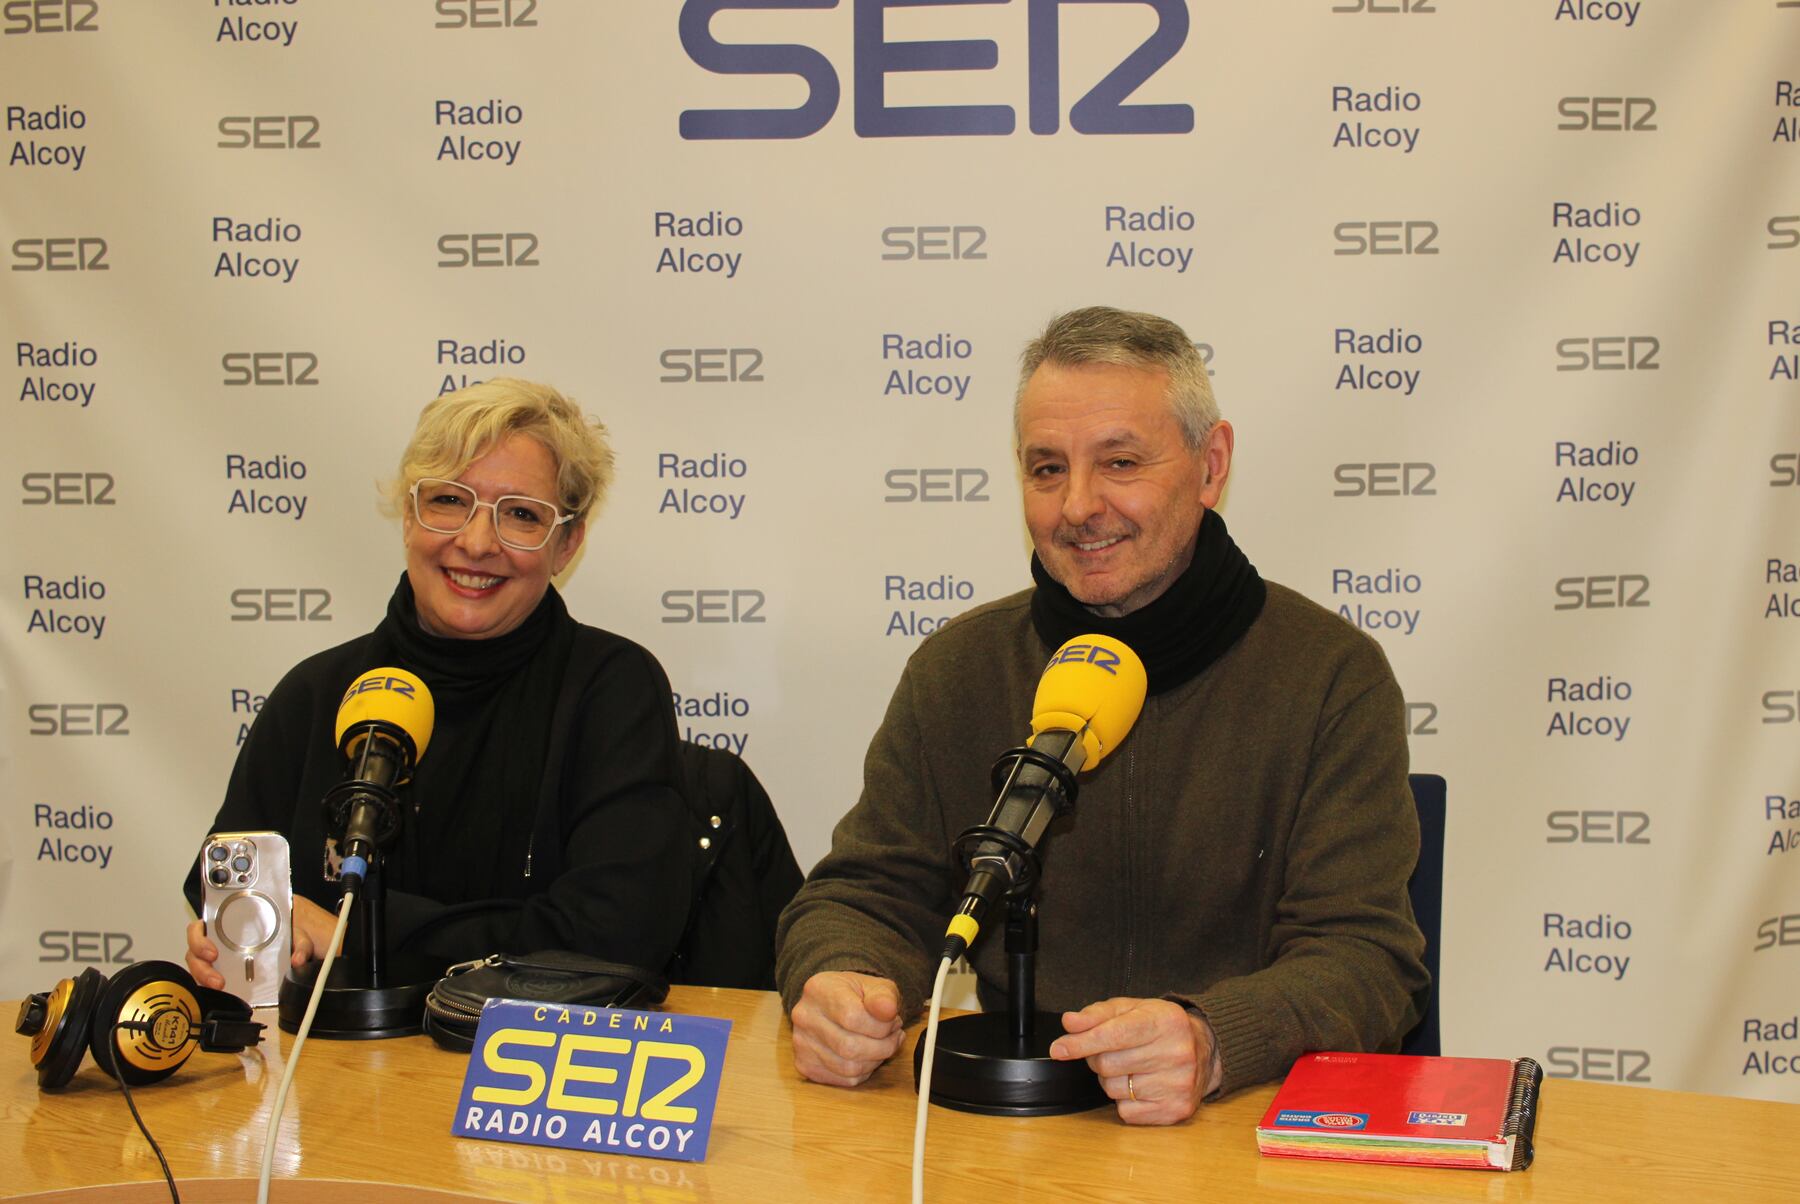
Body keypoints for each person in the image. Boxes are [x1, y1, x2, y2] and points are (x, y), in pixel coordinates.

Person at [775, 306, 1427, 1125]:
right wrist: (842, 977)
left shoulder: (1331, 676)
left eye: (1119, 461)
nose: (1078, 506)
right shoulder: (957, 669)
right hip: (1011, 1145)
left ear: (1211, 464)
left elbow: (1366, 957)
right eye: (1046, 469)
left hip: (1237, 1138)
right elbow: (864, 897)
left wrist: (1213, 1037)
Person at [185, 378, 690, 985]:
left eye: (522, 515)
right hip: (325, 1069)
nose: (476, 543)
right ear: (407, 515)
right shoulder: (316, 694)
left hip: (525, 1073)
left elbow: (615, 939)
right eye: (449, 501)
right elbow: (227, 891)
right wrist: (240, 936)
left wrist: (354, 934)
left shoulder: (611, 691)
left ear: (567, 544)